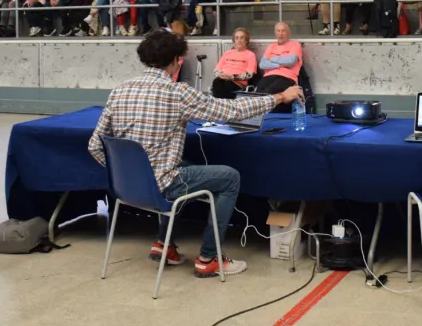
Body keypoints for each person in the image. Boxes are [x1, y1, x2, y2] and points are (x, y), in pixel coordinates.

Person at [88, 29, 302, 277]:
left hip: (126, 188)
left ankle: (164, 244)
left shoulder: (119, 91)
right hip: (163, 185)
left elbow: (94, 145)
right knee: (229, 177)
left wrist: (126, 176)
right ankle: (209, 258)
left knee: (184, 166)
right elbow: (230, 111)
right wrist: (279, 97)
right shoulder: (177, 92)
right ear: (176, 60)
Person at [255, 22, 302, 109]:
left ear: (288, 33)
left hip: (287, 77)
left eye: (283, 31)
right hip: (268, 77)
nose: (280, 34)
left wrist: (273, 58)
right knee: (259, 92)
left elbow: (291, 61)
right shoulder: (271, 46)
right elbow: (262, 64)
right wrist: (279, 65)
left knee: (270, 92)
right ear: (275, 33)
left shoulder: (295, 44)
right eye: (278, 31)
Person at [211, 28, 258, 99]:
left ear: (246, 40)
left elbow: (249, 74)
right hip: (222, 79)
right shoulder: (227, 53)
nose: (239, 40)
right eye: (236, 38)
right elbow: (216, 70)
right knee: (216, 82)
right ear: (234, 41)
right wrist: (221, 74)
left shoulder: (251, 55)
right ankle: (219, 103)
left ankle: (221, 103)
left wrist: (233, 77)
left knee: (227, 85)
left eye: (242, 38)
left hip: (237, 83)